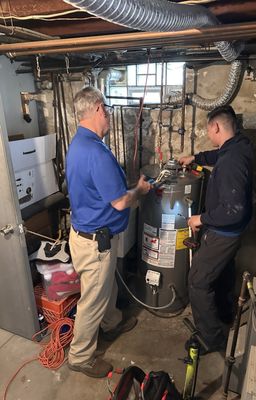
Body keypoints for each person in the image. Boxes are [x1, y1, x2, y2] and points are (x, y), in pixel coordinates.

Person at [66, 86, 151, 378]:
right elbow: (119, 202)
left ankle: (111, 321)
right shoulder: (95, 152)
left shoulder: (78, 143)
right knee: (92, 300)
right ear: (99, 109)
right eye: (108, 110)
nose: (110, 115)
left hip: (85, 236)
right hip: (95, 242)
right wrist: (139, 189)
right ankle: (80, 356)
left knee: (106, 288)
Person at [179, 105, 253, 354]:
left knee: (198, 281)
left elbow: (234, 210)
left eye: (208, 129)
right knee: (221, 273)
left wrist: (202, 219)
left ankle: (212, 338)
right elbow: (218, 154)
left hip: (224, 233)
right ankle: (225, 314)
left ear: (216, 127)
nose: (209, 133)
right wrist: (196, 159)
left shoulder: (231, 160)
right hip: (233, 232)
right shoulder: (239, 145)